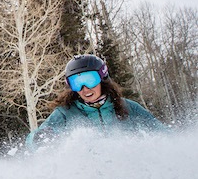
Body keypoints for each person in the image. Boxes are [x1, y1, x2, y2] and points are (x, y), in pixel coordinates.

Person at [26, 54, 165, 146]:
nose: (84, 89)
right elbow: (33, 140)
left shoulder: (128, 107)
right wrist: (40, 138)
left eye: (89, 80)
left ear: (102, 78)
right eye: (76, 83)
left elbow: (162, 133)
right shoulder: (65, 113)